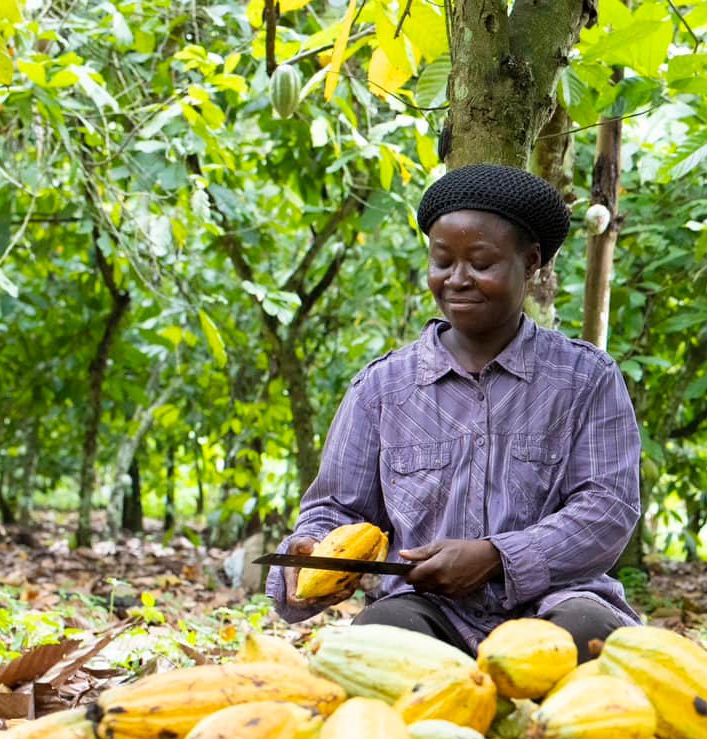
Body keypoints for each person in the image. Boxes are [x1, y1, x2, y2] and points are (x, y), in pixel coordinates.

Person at [269, 164, 642, 656]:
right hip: (425, 607)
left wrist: (497, 557)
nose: (458, 279)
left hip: (556, 600)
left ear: (531, 263)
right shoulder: (382, 389)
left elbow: (607, 509)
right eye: (442, 261)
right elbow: (337, 508)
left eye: (482, 263)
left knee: (588, 638)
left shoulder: (586, 379)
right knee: (381, 642)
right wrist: (311, 549)